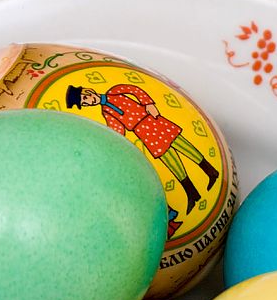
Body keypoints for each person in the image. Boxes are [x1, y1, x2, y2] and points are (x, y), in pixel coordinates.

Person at [66, 85, 219, 222]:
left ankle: (210, 171)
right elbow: (117, 130)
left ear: (89, 91)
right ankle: (191, 192)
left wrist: (149, 103)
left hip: (151, 120)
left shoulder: (114, 91)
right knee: (169, 160)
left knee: (182, 146)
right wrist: (115, 144)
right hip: (142, 132)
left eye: (86, 98)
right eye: (85, 103)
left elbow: (134, 90)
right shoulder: (106, 112)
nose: (89, 101)